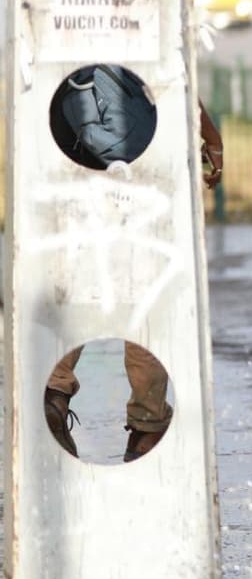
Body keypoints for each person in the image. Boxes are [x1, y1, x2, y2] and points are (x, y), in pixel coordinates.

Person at [44, 90, 224, 462]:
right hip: (142, 173)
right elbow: (176, 82)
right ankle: (146, 425)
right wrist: (212, 139)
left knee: (79, 285)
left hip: (71, 166)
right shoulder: (140, 35)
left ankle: (57, 391)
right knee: (145, 301)